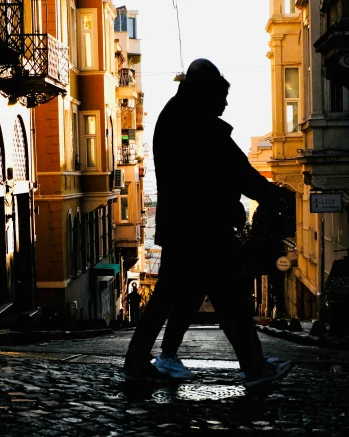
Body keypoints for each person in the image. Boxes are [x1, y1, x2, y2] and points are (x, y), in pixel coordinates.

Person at [122, 58, 293, 389]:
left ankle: (137, 362)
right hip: (203, 229)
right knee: (228, 299)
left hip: (184, 228)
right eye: (221, 96)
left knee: (171, 297)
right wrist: (271, 194)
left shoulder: (177, 115)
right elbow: (235, 168)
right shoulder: (196, 122)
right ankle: (255, 368)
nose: (225, 103)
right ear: (206, 92)